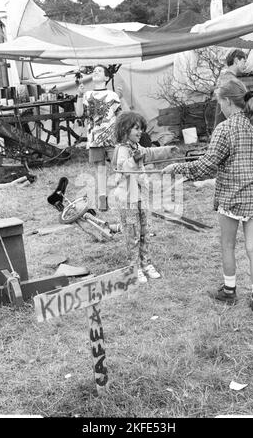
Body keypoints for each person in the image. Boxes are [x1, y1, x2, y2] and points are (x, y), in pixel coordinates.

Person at [162, 79, 253, 314]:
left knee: (227, 246)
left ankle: (230, 291)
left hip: (231, 197)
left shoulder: (225, 128)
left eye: (218, 102)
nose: (219, 106)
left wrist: (178, 168)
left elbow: (206, 166)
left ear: (226, 102)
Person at [112, 111, 179, 284]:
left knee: (144, 232)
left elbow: (149, 153)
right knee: (132, 235)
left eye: (141, 128)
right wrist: (135, 160)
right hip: (128, 200)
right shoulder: (121, 150)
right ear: (125, 129)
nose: (140, 131)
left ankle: (146, 264)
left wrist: (166, 150)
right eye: (136, 128)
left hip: (141, 197)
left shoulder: (136, 147)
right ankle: (134, 268)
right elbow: (123, 169)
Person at [75, 64, 122, 211]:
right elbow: (79, 113)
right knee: (100, 170)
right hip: (95, 140)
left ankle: (122, 196)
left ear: (106, 77)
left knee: (119, 167)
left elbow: (120, 116)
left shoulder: (113, 95)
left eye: (99, 71)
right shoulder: (87, 95)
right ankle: (102, 201)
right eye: (94, 71)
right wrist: (80, 95)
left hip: (112, 139)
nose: (95, 72)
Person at [214, 49, 247, 128]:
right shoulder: (230, 79)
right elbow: (238, 101)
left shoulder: (225, 77)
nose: (245, 65)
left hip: (223, 126)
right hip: (226, 128)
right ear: (236, 60)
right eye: (244, 61)